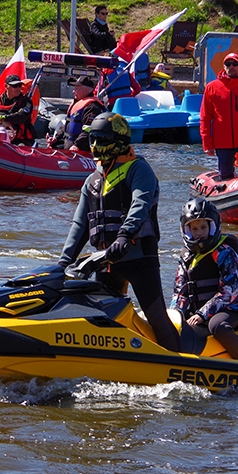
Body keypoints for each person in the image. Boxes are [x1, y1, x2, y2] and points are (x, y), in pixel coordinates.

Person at [58, 112, 180, 352]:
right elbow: (80, 225)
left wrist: (124, 235)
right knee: (104, 319)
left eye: (101, 139)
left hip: (139, 258)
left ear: (120, 140)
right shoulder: (92, 181)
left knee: (155, 316)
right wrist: (63, 262)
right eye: (93, 138)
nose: (95, 145)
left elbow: (140, 205)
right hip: (104, 262)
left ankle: (182, 364)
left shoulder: (139, 169)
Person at [171, 198, 238, 361]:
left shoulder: (225, 252)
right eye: (194, 228)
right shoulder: (185, 257)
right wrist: (176, 316)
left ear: (213, 226)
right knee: (171, 326)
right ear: (186, 230)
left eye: (203, 227)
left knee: (217, 326)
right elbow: (179, 293)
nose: (199, 232)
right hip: (198, 312)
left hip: (230, 309)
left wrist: (203, 314)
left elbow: (229, 291)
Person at [52, 75, 105, 151]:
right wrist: (56, 138)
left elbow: (88, 130)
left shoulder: (92, 107)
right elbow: (67, 124)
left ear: (86, 90)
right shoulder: (76, 103)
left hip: (81, 148)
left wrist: (77, 146)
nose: (73, 91)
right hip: (68, 144)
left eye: (76, 89)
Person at [0, 74, 35, 145]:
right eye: (15, 86)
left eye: (19, 86)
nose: (18, 88)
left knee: (21, 145)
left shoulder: (26, 101)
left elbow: (21, 116)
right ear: (6, 86)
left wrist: (4, 118)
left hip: (20, 141)